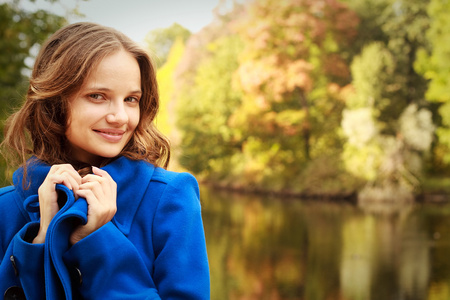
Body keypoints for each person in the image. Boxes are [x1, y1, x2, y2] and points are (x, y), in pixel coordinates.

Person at [0, 22, 210, 299]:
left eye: (131, 99)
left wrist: (95, 243)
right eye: (97, 96)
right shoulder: (5, 206)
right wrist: (39, 242)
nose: (121, 117)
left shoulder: (171, 198)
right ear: (54, 100)